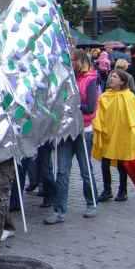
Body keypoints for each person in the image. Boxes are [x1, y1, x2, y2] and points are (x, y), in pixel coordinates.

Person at [44, 49, 99, 224]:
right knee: (62, 171)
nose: (70, 63)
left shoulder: (91, 79)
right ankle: (59, 210)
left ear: (80, 61)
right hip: (65, 130)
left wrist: (69, 105)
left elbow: (90, 107)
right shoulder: (67, 78)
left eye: (73, 60)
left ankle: (91, 203)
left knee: (85, 170)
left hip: (83, 130)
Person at [93, 69, 135, 202]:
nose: (111, 79)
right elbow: (99, 115)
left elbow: (134, 119)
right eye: (111, 76)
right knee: (104, 164)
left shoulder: (131, 98)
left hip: (123, 137)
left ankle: (122, 191)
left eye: (115, 77)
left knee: (121, 165)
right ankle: (107, 190)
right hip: (108, 136)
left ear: (122, 81)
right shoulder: (105, 96)